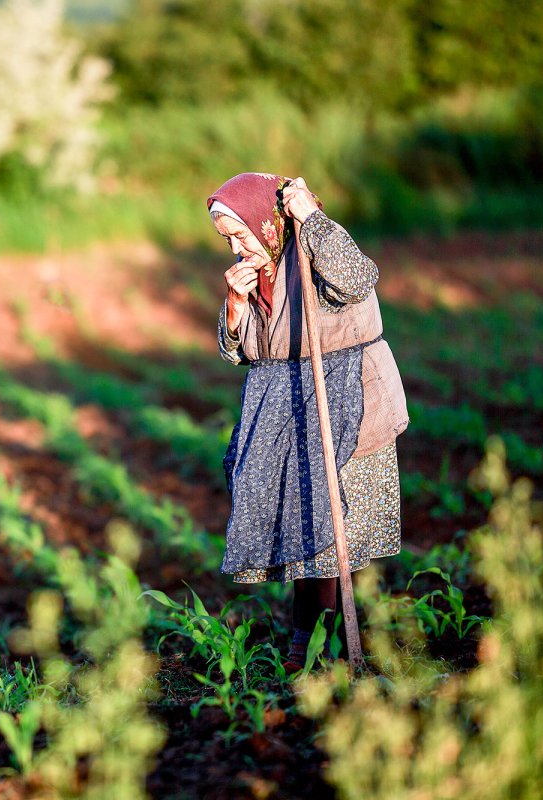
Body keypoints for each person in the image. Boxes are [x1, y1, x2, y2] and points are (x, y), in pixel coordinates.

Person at [206, 172, 409, 674]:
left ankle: (320, 646)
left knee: (331, 534)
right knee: (303, 533)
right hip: (286, 409)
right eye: (227, 239)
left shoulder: (315, 245)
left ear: (267, 221)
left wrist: (313, 219)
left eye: (239, 233)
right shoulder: (259, 274)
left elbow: (357, 279)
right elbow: (247, 352)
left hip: (347, 401)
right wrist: (234, 306)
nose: (234, 247)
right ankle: (313, 642)